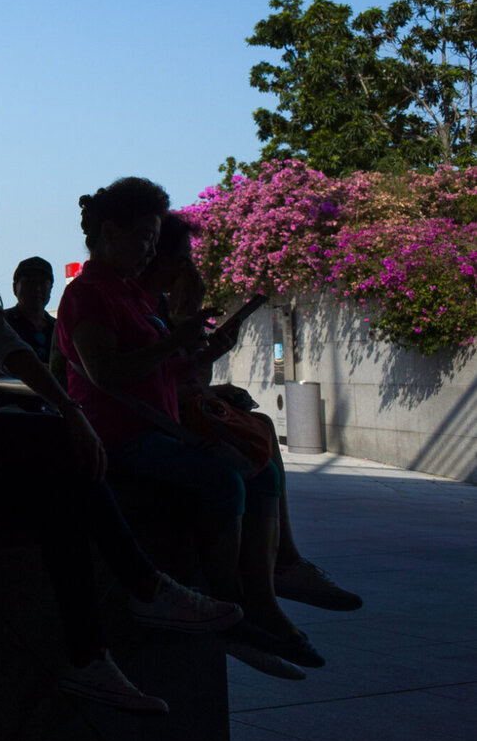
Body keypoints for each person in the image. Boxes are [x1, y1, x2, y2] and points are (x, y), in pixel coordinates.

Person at [0, 170, 240, 714]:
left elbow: (10, 350)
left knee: (59, 493)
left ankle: (88, 655)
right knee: (52, 447)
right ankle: (143, 586)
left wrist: (68, 409)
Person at [56, 178, 319, 680]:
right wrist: (171, 342)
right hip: (121, 437)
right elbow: (104, 374)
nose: (149, 252)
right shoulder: (87, 296)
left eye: (155, 244)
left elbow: (163, 373)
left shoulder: (130, 296)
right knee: (224, 480)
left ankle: (261, 597)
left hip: (158, 429)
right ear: (109, 233)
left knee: (260, 473)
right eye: (144, 240)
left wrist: (201, 352)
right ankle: (227, 605)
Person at [142, 214, 363, 615]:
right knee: (239, 467)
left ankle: (279, 567)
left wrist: (206, 356)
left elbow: (172, 376)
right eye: (182, 260)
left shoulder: (151, 309)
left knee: (258, 432)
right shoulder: (135, 309)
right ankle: (255, 587)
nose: (188, 270)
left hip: (174, 410)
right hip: (155, 424)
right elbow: (135, 381)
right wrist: (189, 351)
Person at [2, 256, 57, 373]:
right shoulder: (0, 322)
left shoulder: (59, 327)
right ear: (14, 288)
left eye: (43, 283)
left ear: (51, 289)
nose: (37, 289)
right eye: (29, 283)